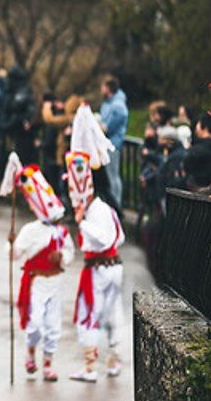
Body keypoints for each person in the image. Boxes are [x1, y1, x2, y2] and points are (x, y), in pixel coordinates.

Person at [8, 166, 73, 382]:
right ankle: (30, 352)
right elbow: (15, 255)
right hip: (36, 282)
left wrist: (62, 257)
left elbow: (70, 253)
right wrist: (11, 244)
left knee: (53, 326)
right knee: (35, 324)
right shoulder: (30, 230)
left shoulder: (62, 232)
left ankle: (47, 365)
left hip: (55, 282)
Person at [66, 152, 125, 383]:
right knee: (111, 314)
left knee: (89, 314)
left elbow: (106, 239)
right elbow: (120, 238)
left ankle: (90, 367)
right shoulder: (105, 208)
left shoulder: (96, 211)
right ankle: (113, 359)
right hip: (112, 267)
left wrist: (82, 223)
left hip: (99, 270)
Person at [99, 77, 129, 209]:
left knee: (113, 176)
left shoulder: (117, 106)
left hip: (112, 144)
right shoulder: (109, 103)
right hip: (106, 144)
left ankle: (116, 205)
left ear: (108, 88)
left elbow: (111, 125)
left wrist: (103, 127)